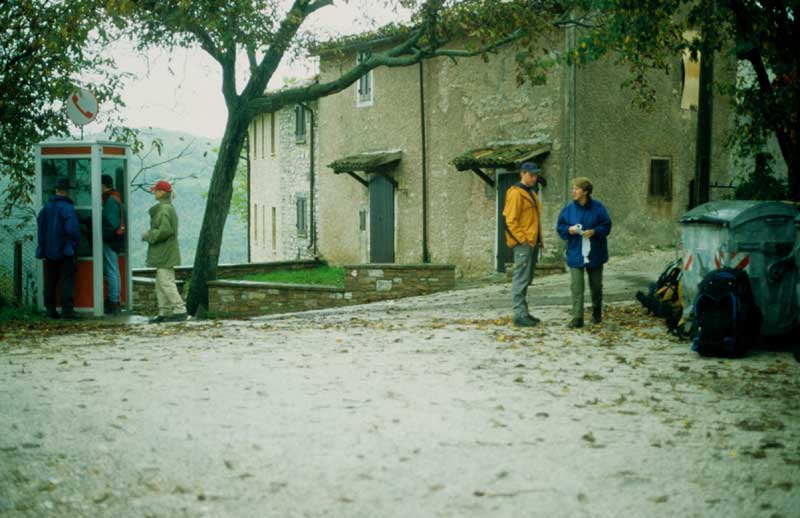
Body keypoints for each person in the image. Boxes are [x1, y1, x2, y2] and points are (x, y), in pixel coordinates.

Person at [556, 177, 612, 328]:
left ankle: (596, 313)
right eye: (573, 188)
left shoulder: (598, 208)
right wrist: (569, 229)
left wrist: (594, 231)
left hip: (595, 252)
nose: (573, 191)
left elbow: (607, 225)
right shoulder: (568, 210)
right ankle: (577, 318)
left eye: (576, 188)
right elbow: (560, 227)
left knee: (596, 286)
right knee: (576, 286)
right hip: (575, 252)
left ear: (585, 191)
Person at [503, 161, 544, 327]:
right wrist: (523, 240)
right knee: (520, 278)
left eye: (535, 175)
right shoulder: (515, 193)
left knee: (526, 278)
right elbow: (509, 220)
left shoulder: (531, 193)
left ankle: (524, 312)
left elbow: (533, 220)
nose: (534, 177)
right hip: (523, 243)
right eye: (531, 174)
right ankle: (519, 314)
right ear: (522, 173)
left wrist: (537, 240)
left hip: (531, 242)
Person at [142, 180, 187, 323]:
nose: (154, 192)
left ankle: (180, 310)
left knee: (166, 281)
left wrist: (148, 235)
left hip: (164, 252)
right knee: (161, 282)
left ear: (161, 193)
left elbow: (166, 230)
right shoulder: (167, 208)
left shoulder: (164, 209)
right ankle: (165, 311)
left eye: (156, 190)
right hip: (165, 251)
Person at [36, 177, 81, 319]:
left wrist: (43, 245)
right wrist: (74, 243)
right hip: (65, 249)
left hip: (49, 250)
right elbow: (72, 229)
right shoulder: (67, 208)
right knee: (66, 280)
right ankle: (67, 311)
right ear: (67, 191)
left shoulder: (46, 207)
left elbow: (40, 227)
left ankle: (50, 310)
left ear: (56, 190)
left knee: (50, 280)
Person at [101, 172, 125, 314]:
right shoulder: (115, 197)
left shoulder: (109, 200)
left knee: (111, 270)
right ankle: (114, 299)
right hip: (115, 239)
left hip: (110, 240)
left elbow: (111, 223)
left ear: (103, 185)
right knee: (113, 269)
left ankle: (113, 300)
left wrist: (101, 236)